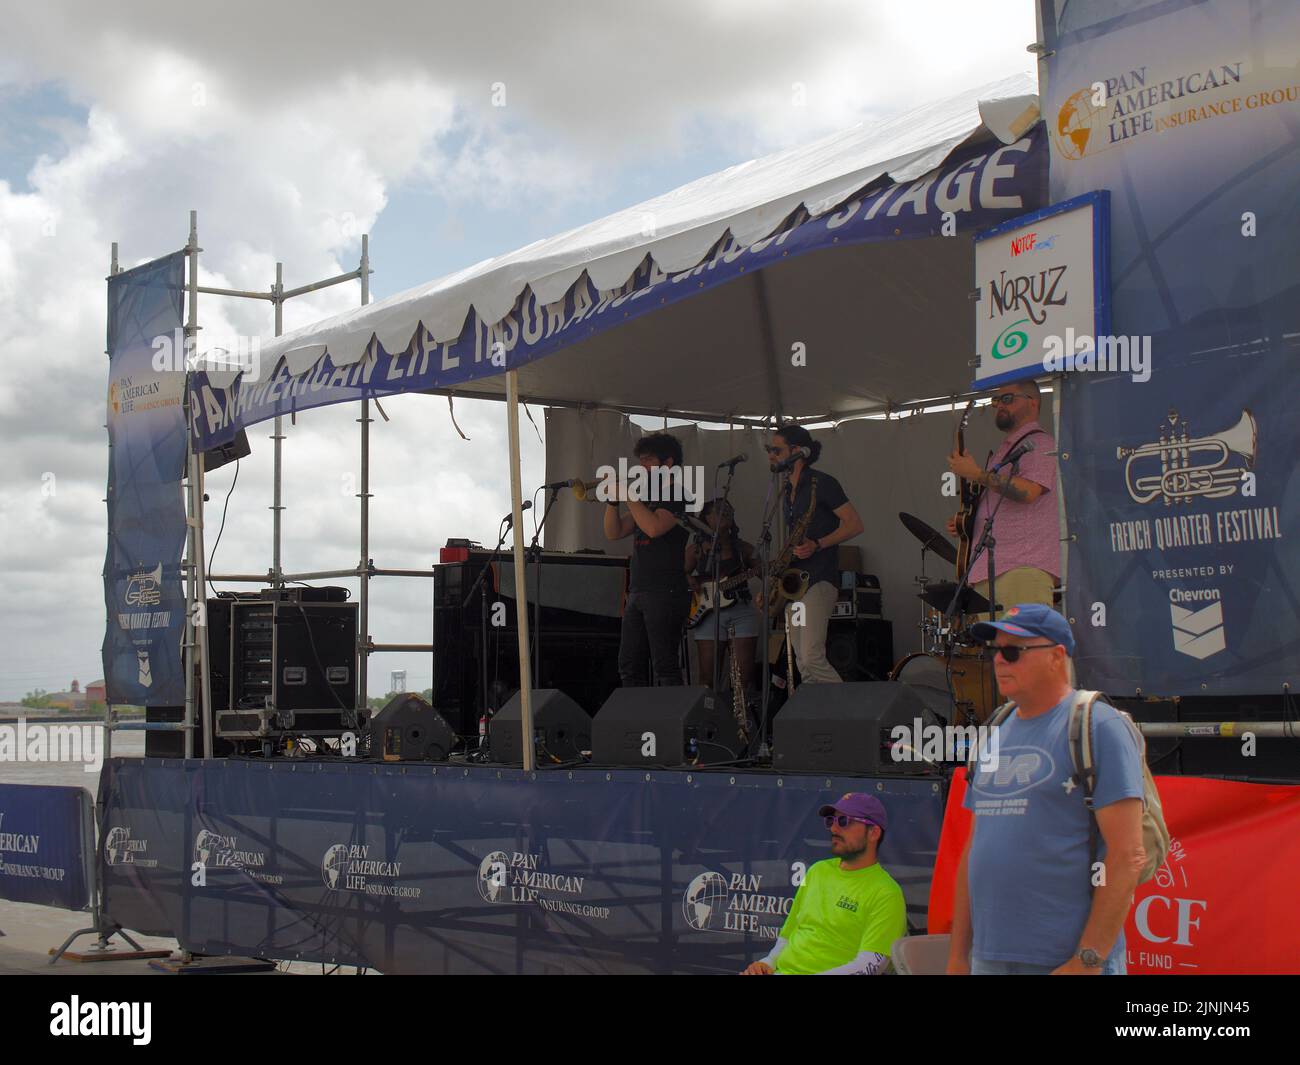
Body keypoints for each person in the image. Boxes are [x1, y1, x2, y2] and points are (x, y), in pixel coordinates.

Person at [946, 604, 1146, 976]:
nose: (999, 662)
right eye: (995, 651)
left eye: (1012, 651)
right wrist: (959, 957)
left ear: (1056, 657)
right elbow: (975, 851)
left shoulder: (1098, 726)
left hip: (1065, 961)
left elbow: (1127, 854)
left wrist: (1087, 961)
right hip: (989, 959)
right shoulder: (993, 733)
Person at [742, 793, 907, 975]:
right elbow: (790, 932)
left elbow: (869, 965)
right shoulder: (817, 871)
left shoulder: (886, 893)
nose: (834, 829)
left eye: (844, 821)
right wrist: (767, 963)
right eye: (831, 821)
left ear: (873, 832)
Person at [946, 381, 1059, 617]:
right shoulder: (1004, 451)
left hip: (1022, 568)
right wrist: (967, 524)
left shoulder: (1040, 444)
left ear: (1033, 402)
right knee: (997, 654)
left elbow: (1028, 492)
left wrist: (977, 474)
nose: (999, 406)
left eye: (1007, 399)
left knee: (1024, 651)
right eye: (997, 401)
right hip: (991, 570)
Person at [765, 424, 863, 684]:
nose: (770, 456)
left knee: (811, 657)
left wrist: (818, 544)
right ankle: (821, 719)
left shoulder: (823, 483)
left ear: (797, 451)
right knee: (801, 662)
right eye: (768, 450)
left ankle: (847, 715)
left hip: (818, 580)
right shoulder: (787, 490)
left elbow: (855, 524)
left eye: (776, 450)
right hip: (795, 583)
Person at [604, 432, 691, 686]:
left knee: (664, 666)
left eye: (648, 461)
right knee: (629, 666)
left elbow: (654, 528)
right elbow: (614, 532)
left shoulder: (677, 494)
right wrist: (612, 501)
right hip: (638, 590)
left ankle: (669, 722)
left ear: (668, 464)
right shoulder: (646, 499)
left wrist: (628, 496)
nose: (642, 467)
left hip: (666, 591)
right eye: (641, 461)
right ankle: (636, 723)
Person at [685, 499, 758, 701]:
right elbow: (678, 574)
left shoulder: (743, 548)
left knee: (743, 680)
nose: (725, 512)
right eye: (718, 510)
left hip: (742, 612)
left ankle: (741, 725)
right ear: (705, 519)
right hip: (707, 614)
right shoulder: (696, 550)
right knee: (707, 679)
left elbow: (767, 571)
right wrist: (689, 578)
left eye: (729, 510)